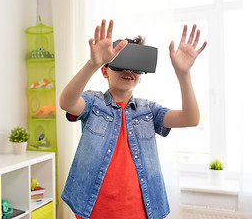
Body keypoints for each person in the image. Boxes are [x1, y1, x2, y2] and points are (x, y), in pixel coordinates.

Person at [59, 19, 207, 219]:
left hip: (140, 210)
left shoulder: (149, 110)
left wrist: (184, 74)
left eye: (136, 67)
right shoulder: (93, 103)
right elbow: (67, 102)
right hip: (93, 208)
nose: (128, 70)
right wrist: (93, 63)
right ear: (105, 71)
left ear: (141, 75)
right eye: (120, 64)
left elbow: (191, 118)